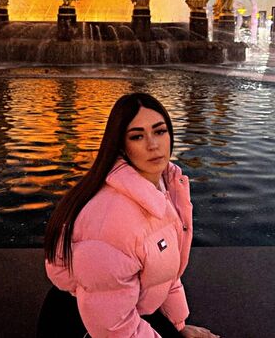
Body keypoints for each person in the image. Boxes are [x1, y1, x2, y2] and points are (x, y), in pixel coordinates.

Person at [38, 93, 220, 338]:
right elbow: (112, 327)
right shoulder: (112, 220)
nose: (153, 145)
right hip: (83, 325)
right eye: (137, 136)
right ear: (122, 146)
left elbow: (164, 269)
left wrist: (178, 326)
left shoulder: (163, 188)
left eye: (159, 131)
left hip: (124, 307)